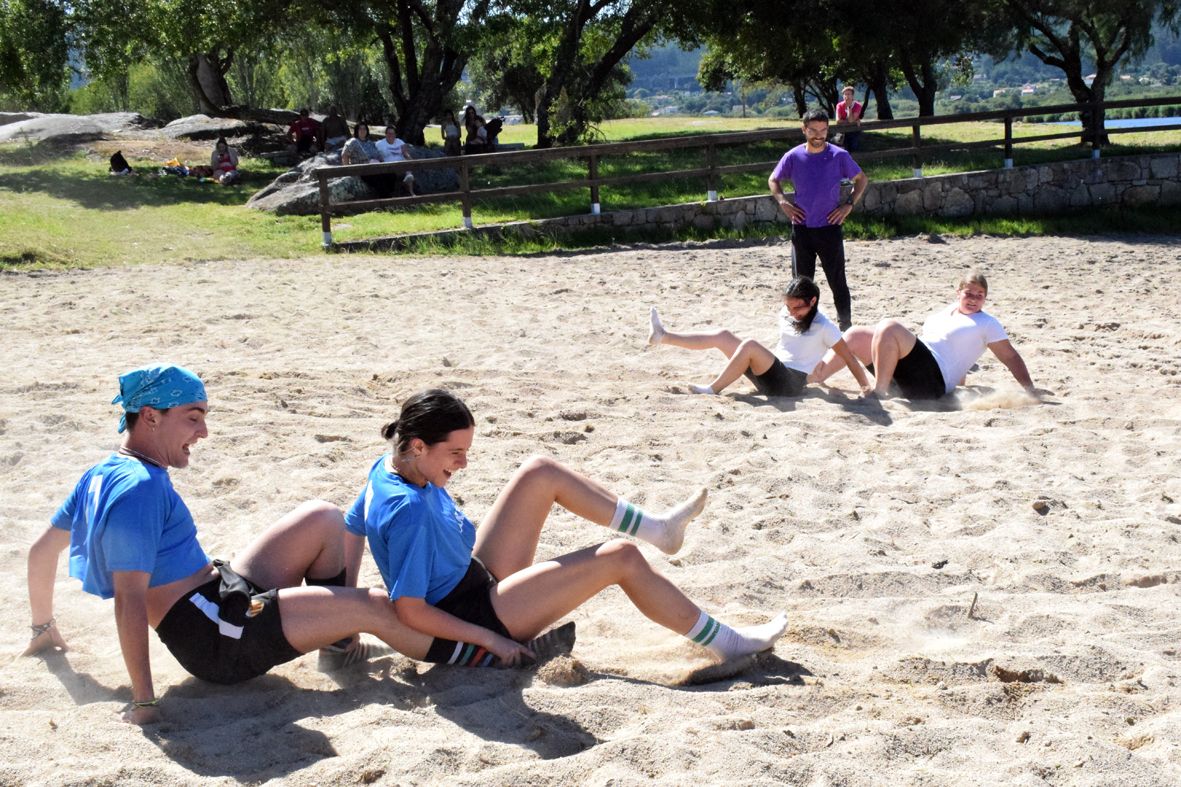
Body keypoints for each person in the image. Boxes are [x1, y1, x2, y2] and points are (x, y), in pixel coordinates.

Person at [23, 366, 538, 726]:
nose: (203, 431)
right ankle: (484, 649)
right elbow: (130, 599)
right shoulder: (138, 490)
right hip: (218, 637)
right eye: (193, 416)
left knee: (323, 519)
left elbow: (42, 551)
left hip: (218, 594)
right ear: (151, 417)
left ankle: (337, 646)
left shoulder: (106, 471)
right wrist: (143, 698)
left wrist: (43, 626)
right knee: (377, 608)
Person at [346, 389, 788, 667]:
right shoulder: (411, 511)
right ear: (419, 445)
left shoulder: (389, 466)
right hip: (473, 616)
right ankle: (727, 643)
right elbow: (410, 610)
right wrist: (488, 641)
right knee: (621, 558)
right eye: (456, 453)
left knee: (540, 472)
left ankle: (657, 528)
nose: (464, 463)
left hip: (474, 576)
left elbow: (354, 523)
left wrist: (345, 599)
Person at [815, 270, 1036, 399]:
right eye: (969, 293)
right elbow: (954, 350)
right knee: (855, 334)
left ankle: (880, 392)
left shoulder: (987, 323)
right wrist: (960, 381)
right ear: (958, 293)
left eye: (980, 295)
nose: (974, 299)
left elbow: (1010, 356)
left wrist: (1030, 389)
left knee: (889, 326)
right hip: (913, 373)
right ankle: (814, 377)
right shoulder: (947, 312)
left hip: (931, 383)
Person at [647, 276, 872, 397]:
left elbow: (850, 358)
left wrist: (865, 388)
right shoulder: (786, 312)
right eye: (789, 307)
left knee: (751, 345)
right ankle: (663, 336)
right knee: (723, 336)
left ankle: (712, 389)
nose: (792, 313)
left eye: (798, 309)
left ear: (813, 301)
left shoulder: (825, 326)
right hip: (771, 373)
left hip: (789, 385)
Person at [768, 108, 868, 332]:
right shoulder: (793, 156)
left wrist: (848, 204)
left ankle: (845, 325)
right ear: (804, 130)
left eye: (823, 130)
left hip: (830, 228)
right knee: (802, 283)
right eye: (813, 130)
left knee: (837, 280)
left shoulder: (839, 155)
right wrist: (783, 201)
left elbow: (861, 179)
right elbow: (773, 179)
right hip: (802, 228)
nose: (818, 135)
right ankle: (804, 323)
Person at [375, 123, 416, 196]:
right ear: (385, 134)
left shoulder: (400, 142)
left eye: (392, 133)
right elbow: (375, 155)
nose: (390, 135)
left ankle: (411, 191)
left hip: (401, 164)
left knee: (408, 170)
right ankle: (406, 186)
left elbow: (405, 153)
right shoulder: (379, 144)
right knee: (405, 173)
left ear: (395, 135)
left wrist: (412, 161)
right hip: (389, 166)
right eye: (389, 133)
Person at [835, 86, 863, 151]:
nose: (846, 96)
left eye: (848, 94)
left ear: (852, 96)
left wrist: (849, 108)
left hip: (853, 130)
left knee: (853, 148)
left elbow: (850, 120)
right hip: (842, 130)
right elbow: (838, 120)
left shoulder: (857, 105)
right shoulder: (839, 105)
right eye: (845, 94)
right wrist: (855, 121)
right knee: (841, 148)